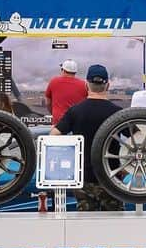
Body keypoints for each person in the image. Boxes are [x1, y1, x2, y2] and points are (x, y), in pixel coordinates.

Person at [50, 64, 122, 211]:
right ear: (107, 85)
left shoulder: (75, 111)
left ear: (86, 85)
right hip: (111, 177)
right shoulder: (118, 113)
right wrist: (126, 169)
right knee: (114, 226)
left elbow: (54, 135)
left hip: (83, 178)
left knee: (85, 227)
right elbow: (138, 137)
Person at [44, 59, 88, 124]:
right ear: (75, 72)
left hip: (58, 124)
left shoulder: (54, 82)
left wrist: (54, 114)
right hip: (77, 124)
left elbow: (48, 103)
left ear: (63, 70)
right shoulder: (84, 84)